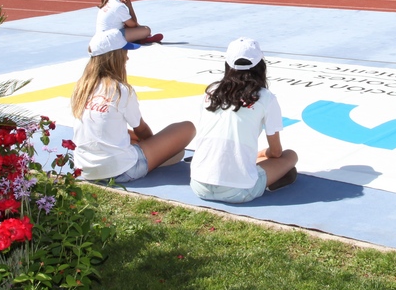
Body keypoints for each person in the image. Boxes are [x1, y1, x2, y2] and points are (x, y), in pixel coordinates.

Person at [71, 29, 195, 183]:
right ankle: (154, 158)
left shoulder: (82, 88)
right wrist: (153, 145)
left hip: (86, 168)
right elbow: (141, 129)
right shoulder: (120, 90)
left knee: (119, 130)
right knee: (187, 128)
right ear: (116, 57)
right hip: (122, 169)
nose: (127, 57)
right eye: (125, 53)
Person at [189, 38, 299, 203]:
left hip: (198, 185)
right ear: (261, 65)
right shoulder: (266, 98)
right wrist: (264, 153)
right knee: (290, 156)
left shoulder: (211, 91)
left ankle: (256, 169)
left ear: (227, 65)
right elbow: (276, 152)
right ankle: (263, 179)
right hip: (237, 192)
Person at [96, 0, 161, 44]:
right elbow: (133, 25)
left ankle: (140, 38)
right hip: (110, 39)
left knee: (129, 24)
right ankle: (141, 38)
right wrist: (130, 6)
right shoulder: (118, 6)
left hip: (103, 36)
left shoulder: (109, 2)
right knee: (146, 30)